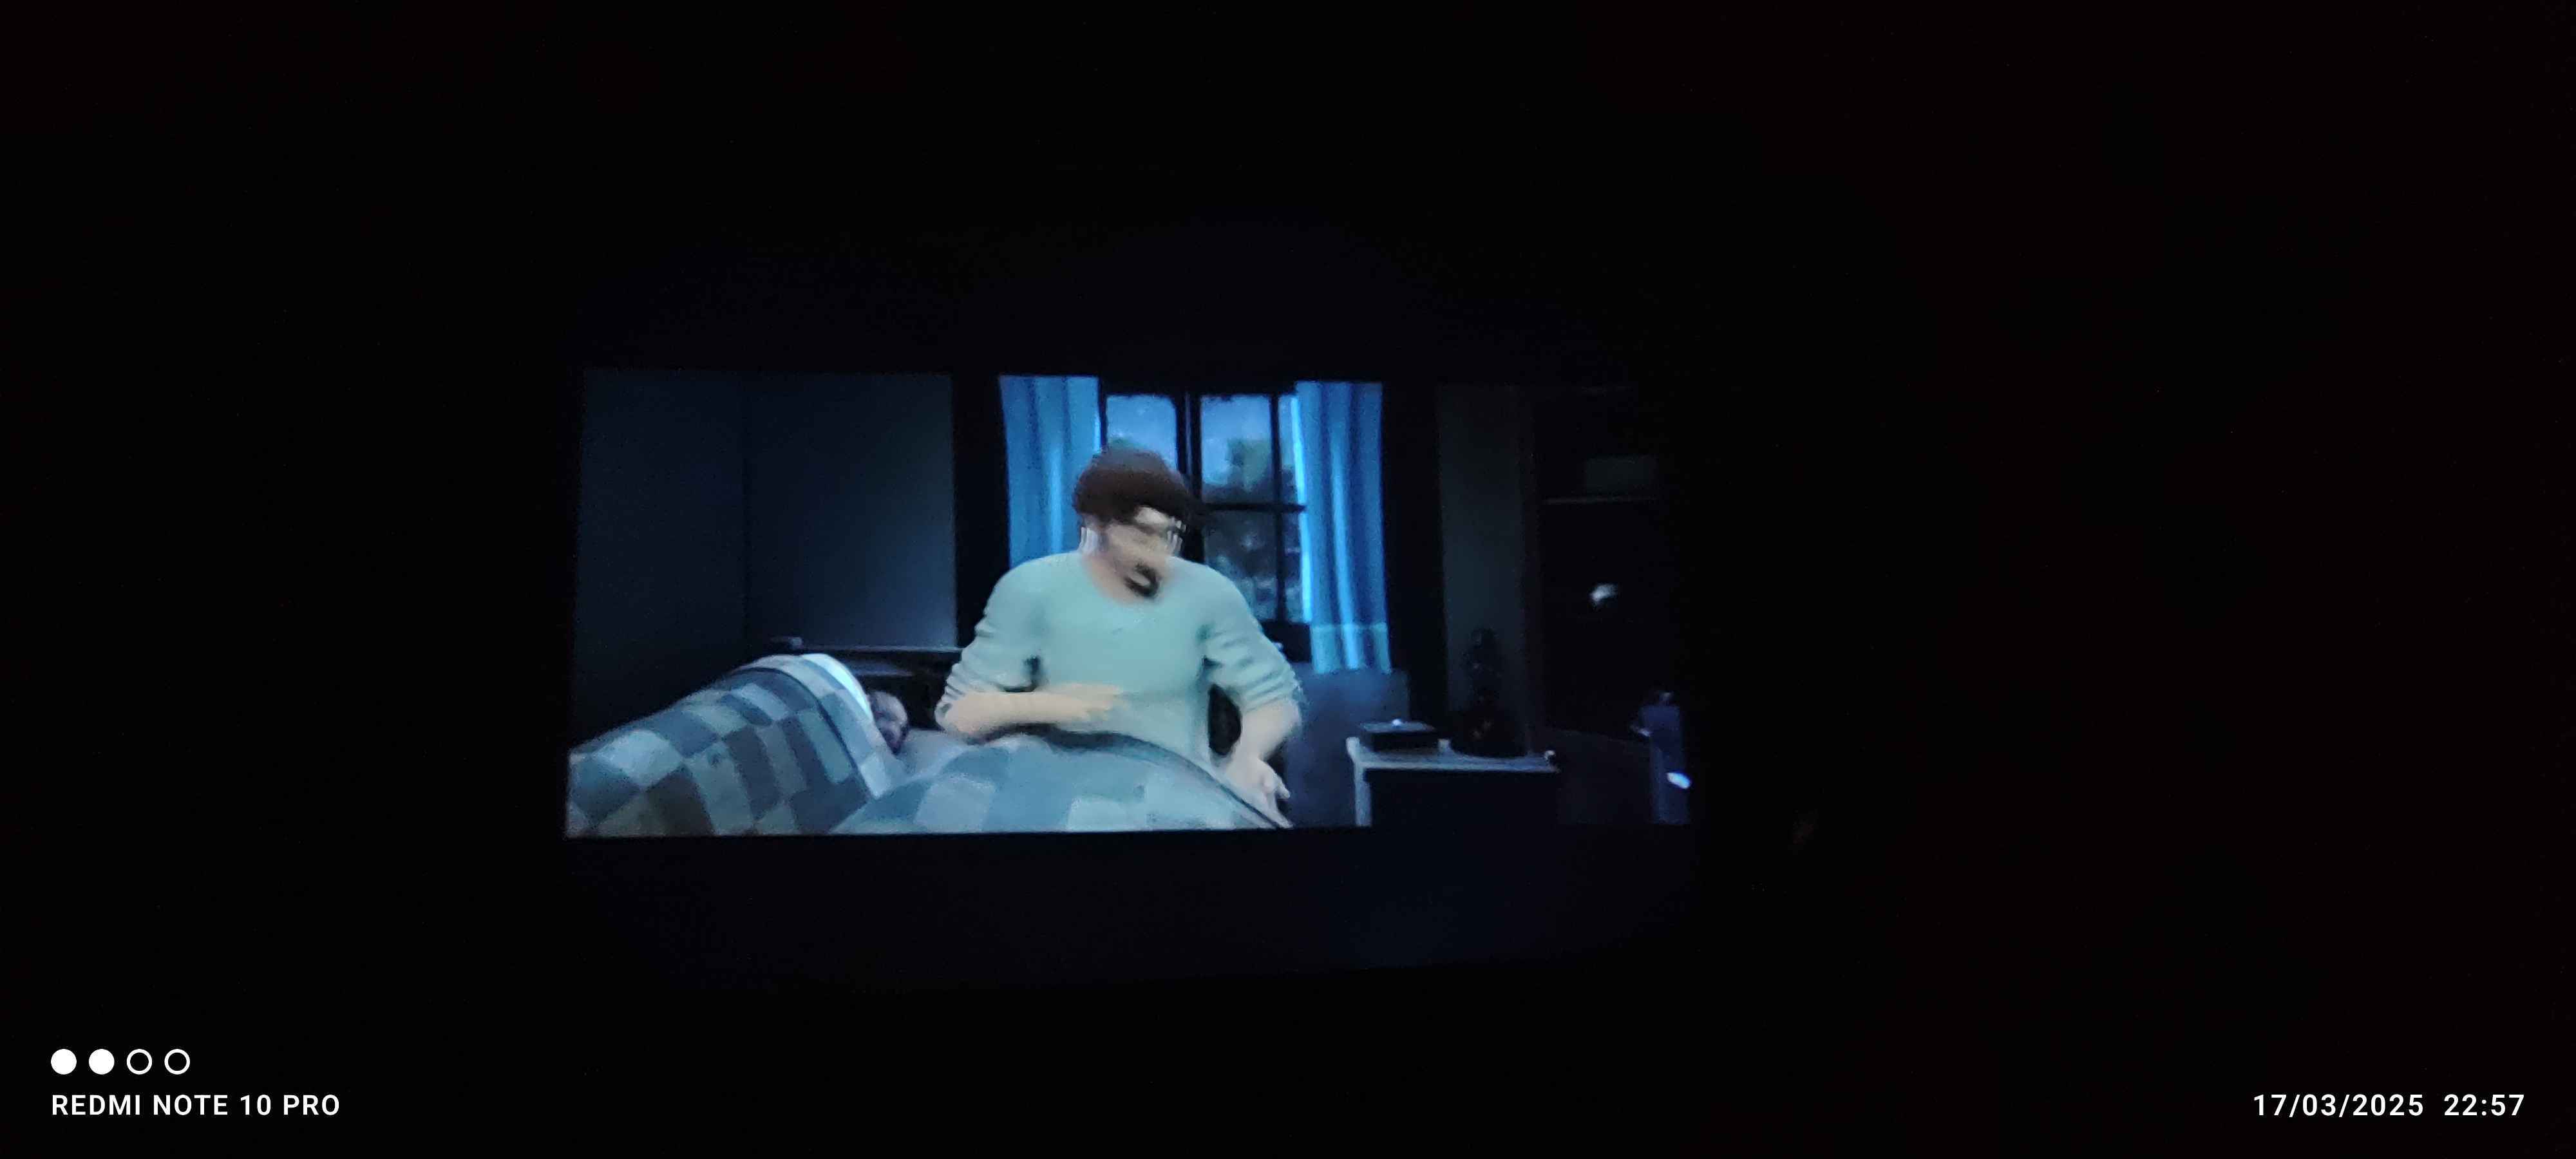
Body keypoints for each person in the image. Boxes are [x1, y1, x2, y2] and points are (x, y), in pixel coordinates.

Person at [934, 446, 1303, 825]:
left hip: (1175, 801)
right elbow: (958, 716)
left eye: (1169, 535)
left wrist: (1247, 759)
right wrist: (1048, 705)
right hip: (1058, 803)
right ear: (1096, 525)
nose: (1157, 552)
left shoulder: (1208, 593)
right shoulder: (1031, 588)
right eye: (1142, 534)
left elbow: (1276, 698)